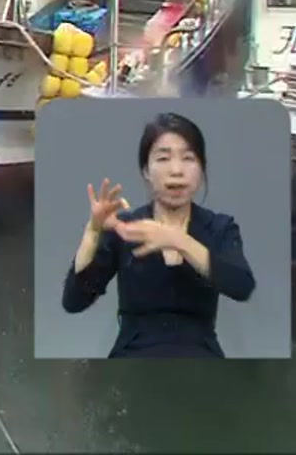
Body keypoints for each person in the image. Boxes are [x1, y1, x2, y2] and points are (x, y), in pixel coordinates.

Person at [63, 112, 256, 358]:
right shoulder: (127, 228)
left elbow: (242, 287)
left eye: (188, 158)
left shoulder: (219, 227)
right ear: (145, 170)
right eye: (163, 158)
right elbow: (73, 302)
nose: (176, 170)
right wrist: (92, 233)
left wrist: (178, 240)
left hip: (200, 358)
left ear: (202, 168)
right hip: (132, 358)